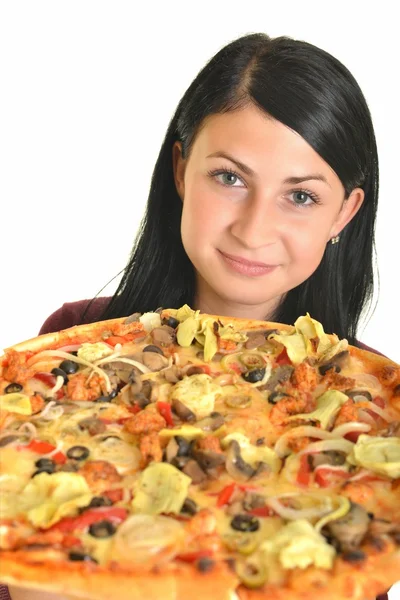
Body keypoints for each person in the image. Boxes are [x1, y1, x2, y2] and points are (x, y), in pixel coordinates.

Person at [2, 32, 390, 600]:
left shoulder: (370, 411)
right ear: (182, 171)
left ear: (344, 213)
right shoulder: (69, 349)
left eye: (300, 196)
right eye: (230, 178)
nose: (253, 229)